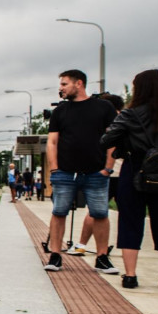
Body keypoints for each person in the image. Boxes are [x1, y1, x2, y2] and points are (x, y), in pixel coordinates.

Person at [100, 69, 158, 290]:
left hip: (134, 170)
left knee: (130, 222)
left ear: (139, 89)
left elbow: (106, 141)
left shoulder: (129, 114)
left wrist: (125, 139)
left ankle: (131, 276)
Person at [44, 69, 118, 274]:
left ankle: (102, 257)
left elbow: (112, 138)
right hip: (65, 173)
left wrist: (108, 167)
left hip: (96, 172)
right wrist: (55, 168)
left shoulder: (103, 107)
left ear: (79, 84)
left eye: (64, 84)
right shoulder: (60, 111)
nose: (61, 88)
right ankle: (56, 255)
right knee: (59, 212)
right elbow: (52, 141)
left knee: (100, 213)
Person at [66, 93, 126, 256]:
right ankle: (123, 248)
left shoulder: (110, 121)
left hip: (108, 173)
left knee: (94, 212)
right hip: (122, 174)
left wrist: (105, 168)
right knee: (122, 214)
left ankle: (81, 245)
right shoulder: (126, 120)